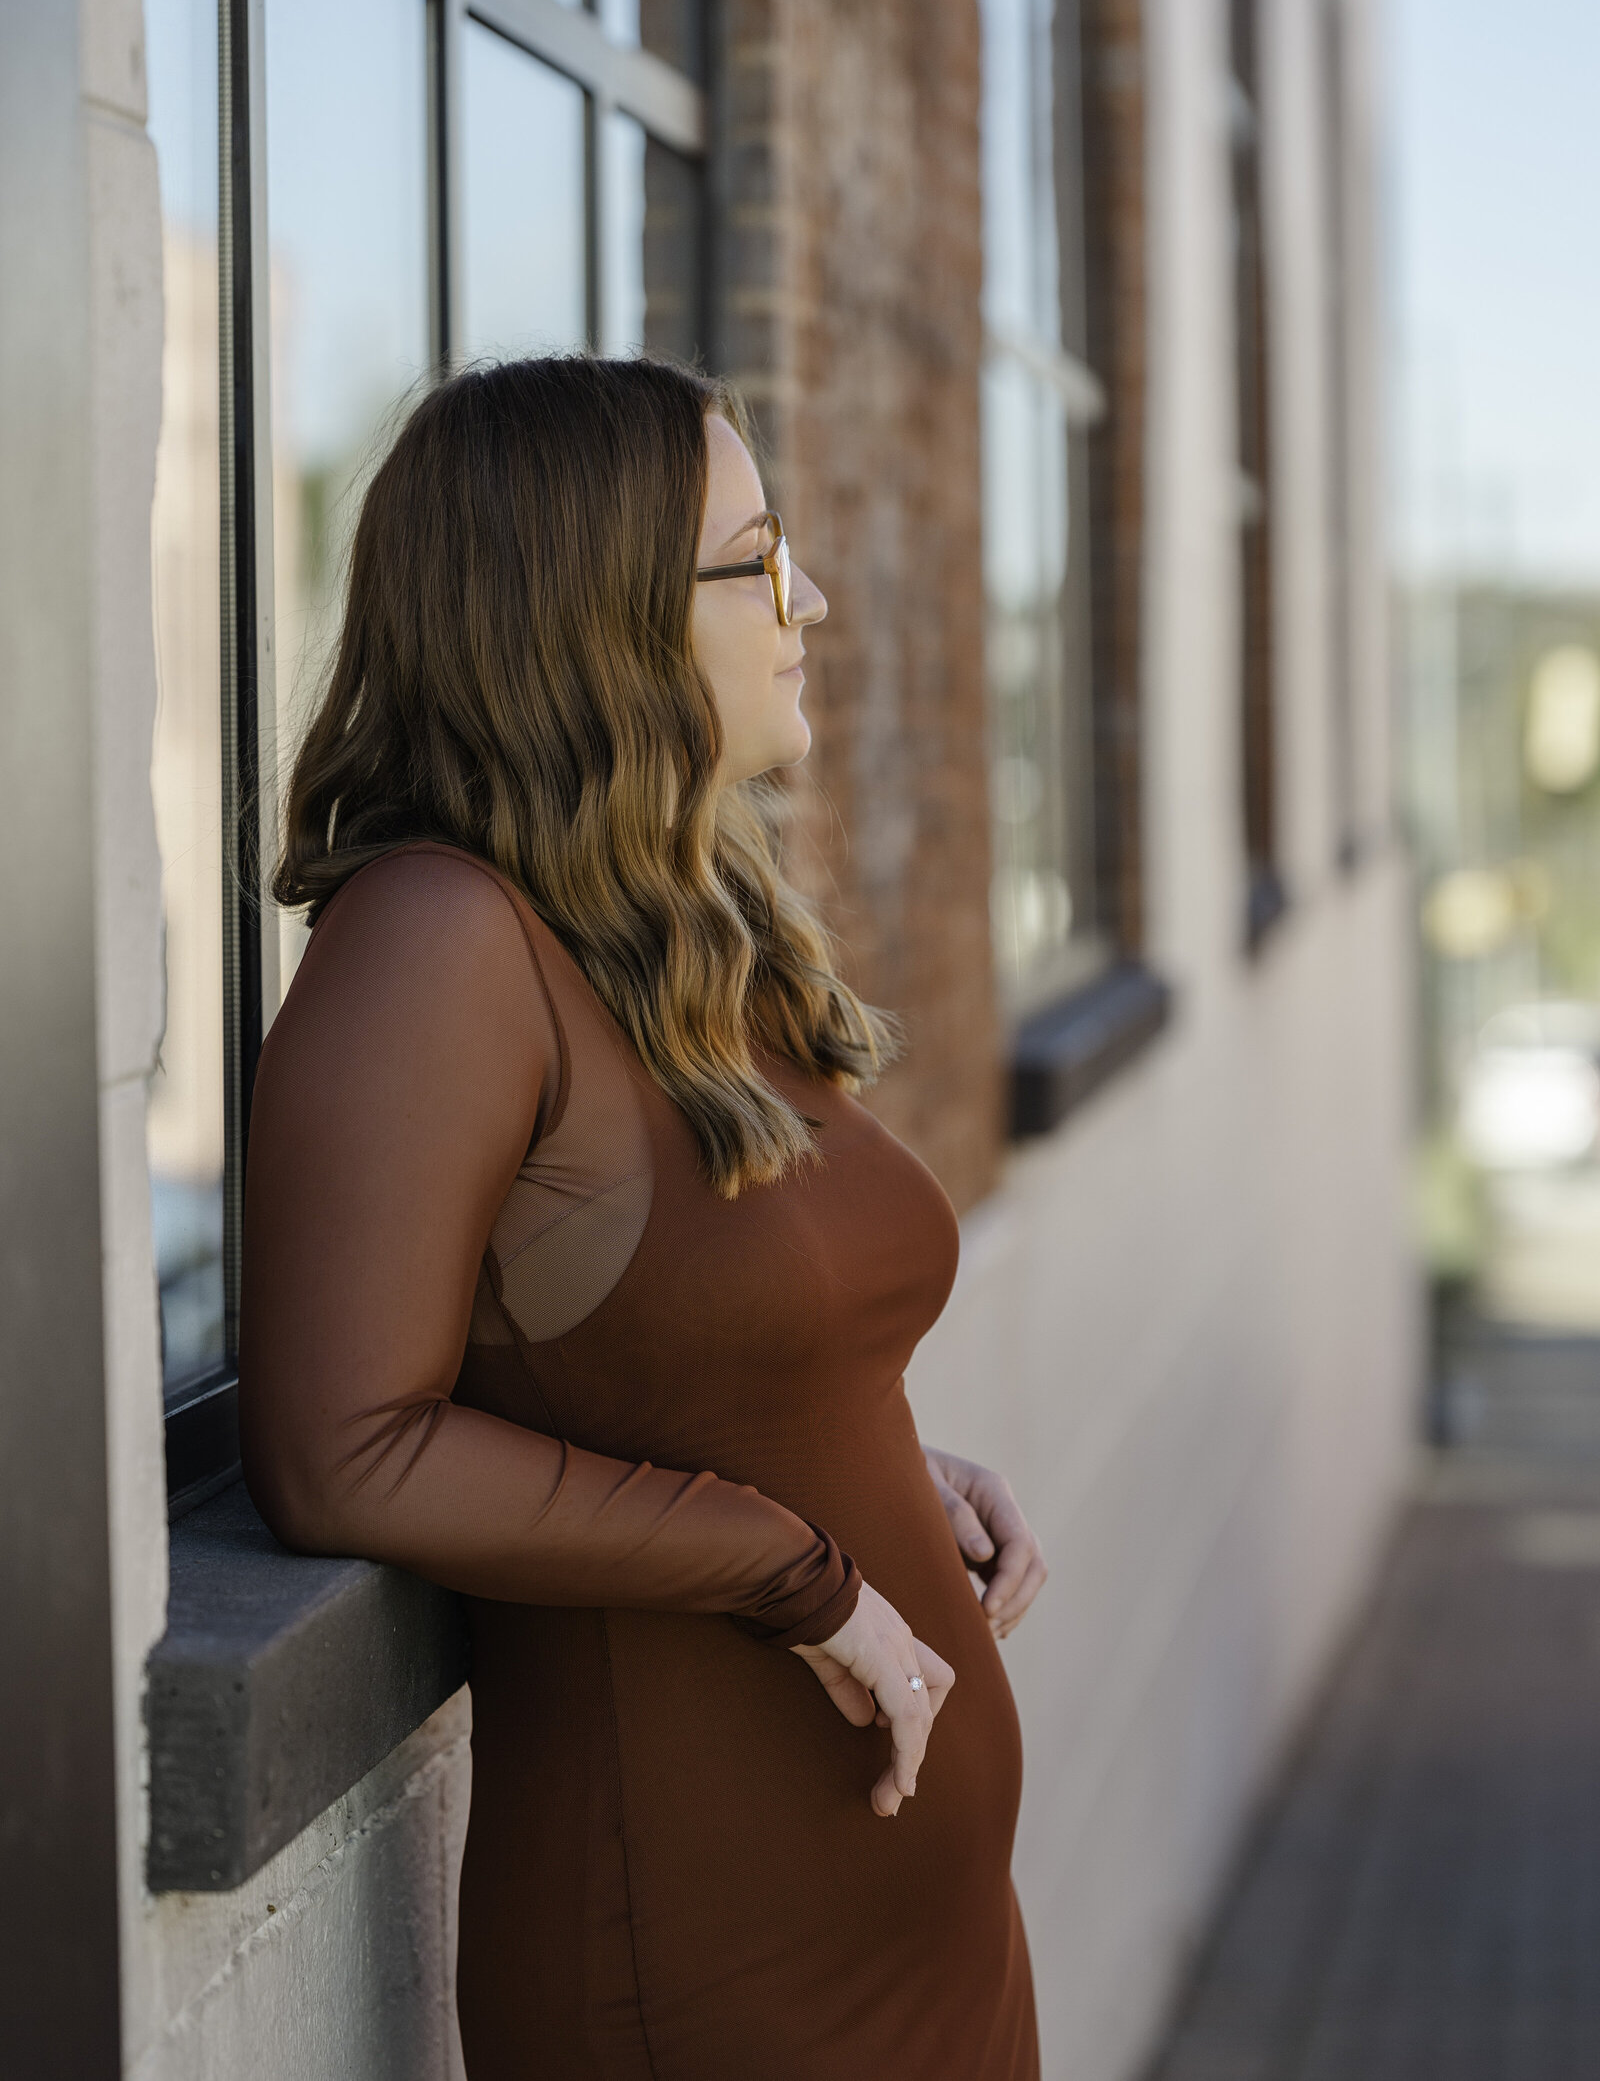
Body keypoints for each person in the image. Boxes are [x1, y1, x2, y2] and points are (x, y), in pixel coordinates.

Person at [240, 355, 1047, 2079]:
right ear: (592, 614)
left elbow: (695, 1341)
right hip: (709, 1971)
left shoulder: (670, 927)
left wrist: (894, 1471)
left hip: (925, 1944)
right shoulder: (435, 943)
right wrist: (805, 1574)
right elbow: (344, 1446)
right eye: (758, 559)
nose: (805, 596)